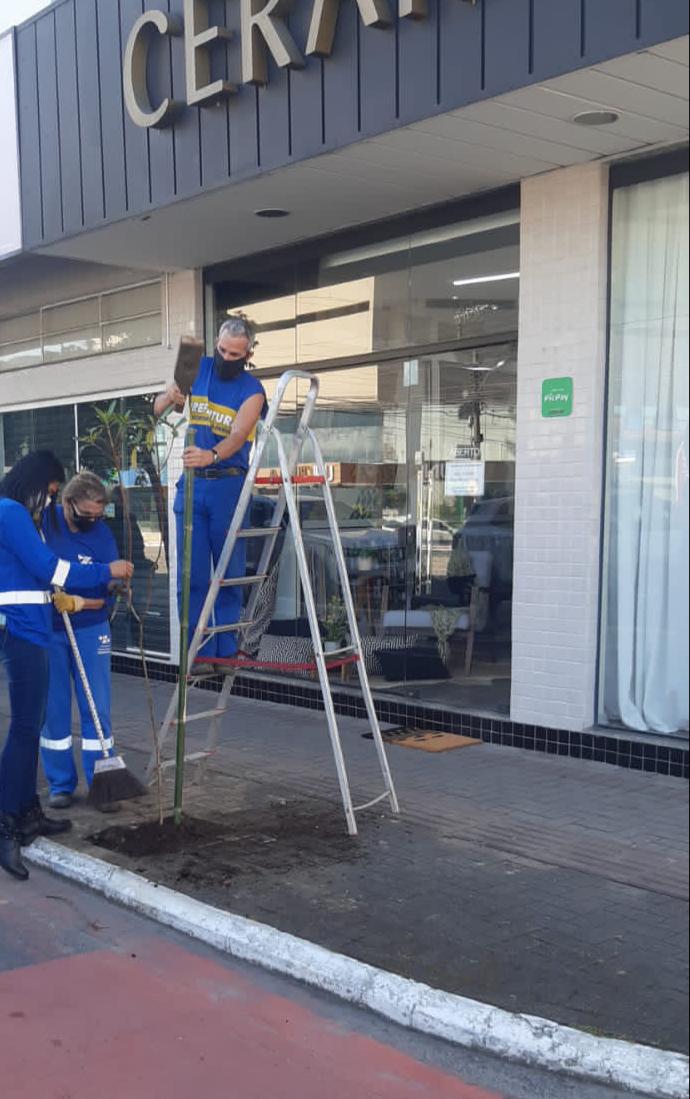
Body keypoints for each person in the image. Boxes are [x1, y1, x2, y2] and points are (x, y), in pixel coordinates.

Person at [0, 451, 134, 881]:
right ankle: (10, 819)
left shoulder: (19, 514)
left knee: (33, 722)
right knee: (29, 728)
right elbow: (48, 567)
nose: (50, 501)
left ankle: (26, 812)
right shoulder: (15, 514)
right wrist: (98, 575)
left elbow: (43, 576)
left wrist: (79, 597)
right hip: (27, 633)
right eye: (51, 493)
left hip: (41, 629)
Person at [153, 316, 266, 662]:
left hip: (228, 483)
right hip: (193, 486)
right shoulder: (196, 369)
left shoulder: (252, 390)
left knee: (228, 574)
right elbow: (159, 409)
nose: (227, 358)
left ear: (247, 354)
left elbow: (237, 436)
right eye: (222, 350)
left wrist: (211, 455)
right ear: (216, 343)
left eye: (236, 354)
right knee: (192, 575)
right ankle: (196, 653)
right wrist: (170, 395)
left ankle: (225, 652)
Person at [40, 472, 120, 811]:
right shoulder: (44, 524)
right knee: (54, 710)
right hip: (51, 631)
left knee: (96, 708)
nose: (94, 521)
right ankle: (60, 783)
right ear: (67, 504)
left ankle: (103, 782)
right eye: (87, 515)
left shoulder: (101, 536)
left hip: (90, 629)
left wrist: (81, 602)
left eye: (99, 515)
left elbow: (111, 588)